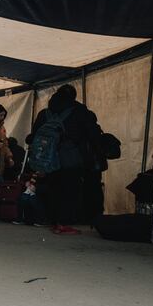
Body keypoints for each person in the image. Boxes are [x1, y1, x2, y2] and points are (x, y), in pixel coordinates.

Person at [30, 84, 102, 234]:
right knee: (70, 190)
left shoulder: (45, 113)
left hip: (47, 159)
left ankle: (53, 220)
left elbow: (33, 135)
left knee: (52, 188)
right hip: (70, 158)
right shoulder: (79, 111)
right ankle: (64, 223)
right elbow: (92, 134)